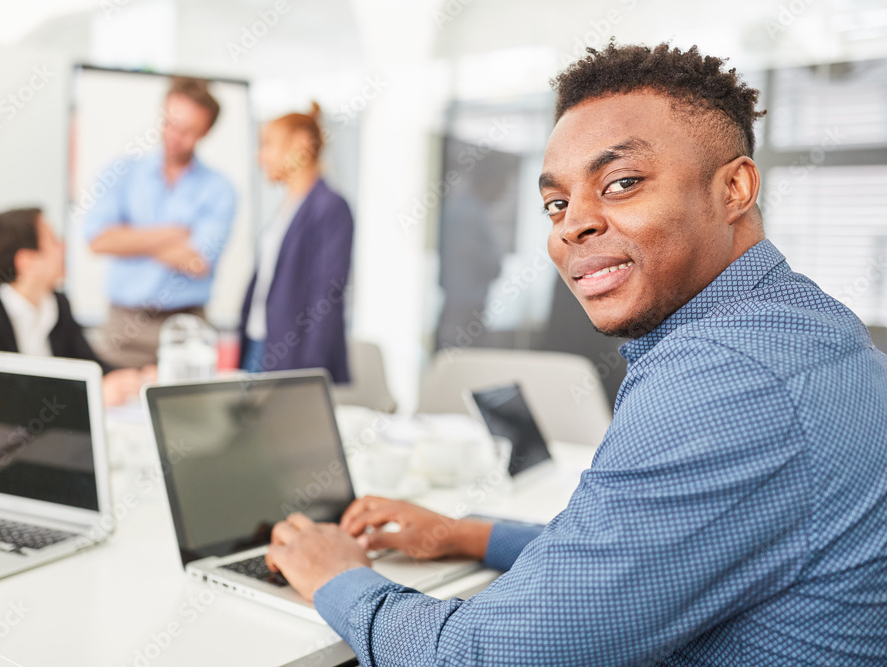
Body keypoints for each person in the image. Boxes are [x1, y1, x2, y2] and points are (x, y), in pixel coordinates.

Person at [263, 43, 887, 665]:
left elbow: (481, 658)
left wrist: (336, 575)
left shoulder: (724, 377)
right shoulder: (807, 323)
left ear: (735, 189)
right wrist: (469, 534)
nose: (571, 226)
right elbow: (647, 547)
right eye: (556, 203)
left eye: (621, 183)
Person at [84, 77, 236, 368]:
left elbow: (196, 262)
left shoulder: (220, 189)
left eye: (188, 130)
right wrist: (173, 234)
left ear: (205, 132)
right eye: (169, 123)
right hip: (123, 326)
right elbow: (99, 240)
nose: (174, 135)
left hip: (187, 328)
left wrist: (127, 239)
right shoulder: (122, 172)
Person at [0, 207, 153, 406]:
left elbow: (89, 365)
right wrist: (89, 397)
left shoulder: (58, 304)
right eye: (53, 241)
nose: (64, 247)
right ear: (28, 261)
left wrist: (138, 378)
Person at [239, 102, 354, 382]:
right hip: (260, 344)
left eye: (267, 144)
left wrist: (311, 373)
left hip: (294, 358)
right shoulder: (287, 207)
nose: (260, 157)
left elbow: (326, 298)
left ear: (301, 144)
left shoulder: (330, 207)